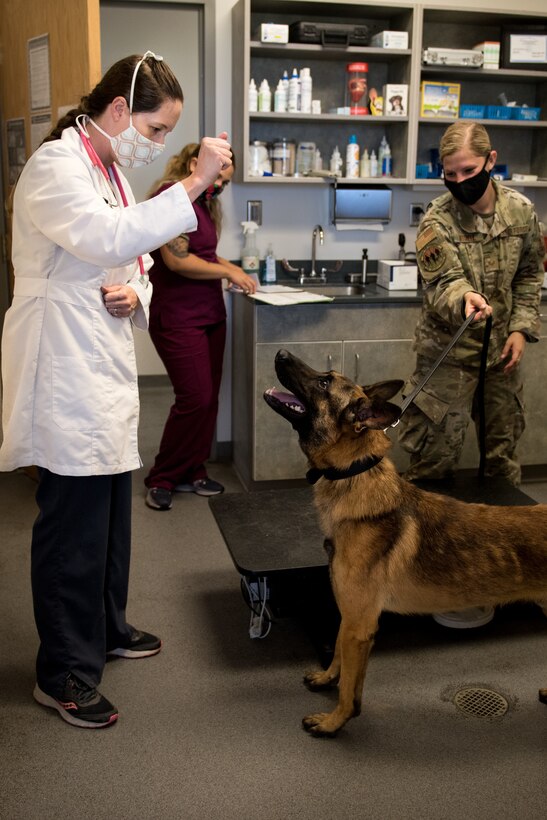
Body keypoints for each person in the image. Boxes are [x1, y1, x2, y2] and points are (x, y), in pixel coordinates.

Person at [0, 51, 232, 728]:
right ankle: (63, 673)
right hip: (63, 363)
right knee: (71, 528)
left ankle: (105, 628)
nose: (155, 143)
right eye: (156, 130)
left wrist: (136, 293)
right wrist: (193, 182)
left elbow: (136, 262)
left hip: (99, 361)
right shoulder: (55, 166)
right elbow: (105, 237)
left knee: (107, 519)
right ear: (119, 109)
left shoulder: (112, 174)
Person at [398, 120, 544, 628]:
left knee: (501, 463)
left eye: (468, 170)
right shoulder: (437, 219)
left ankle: (512, 582)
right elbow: (445, 282)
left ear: (490, 161)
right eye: (450, 173)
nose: (460, 181)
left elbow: (530, 275)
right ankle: (424, 582)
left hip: (503, 356)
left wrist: (520, 329)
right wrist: (466, 298)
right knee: (432, 465)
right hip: (449, 358)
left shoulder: (521, 211)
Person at [144, 144, 257, 511]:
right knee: (194, 398)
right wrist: (228, 272)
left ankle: (193, 469)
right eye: (218, 176)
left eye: (226, 182)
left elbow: (203, 252)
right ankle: (162, 477)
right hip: (178, 316)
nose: (219, 186)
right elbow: (177, 261)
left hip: (209, 314)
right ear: (196, 163)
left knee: (209, 401)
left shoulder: (205, 204)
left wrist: (232, 268)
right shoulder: (171, 197)